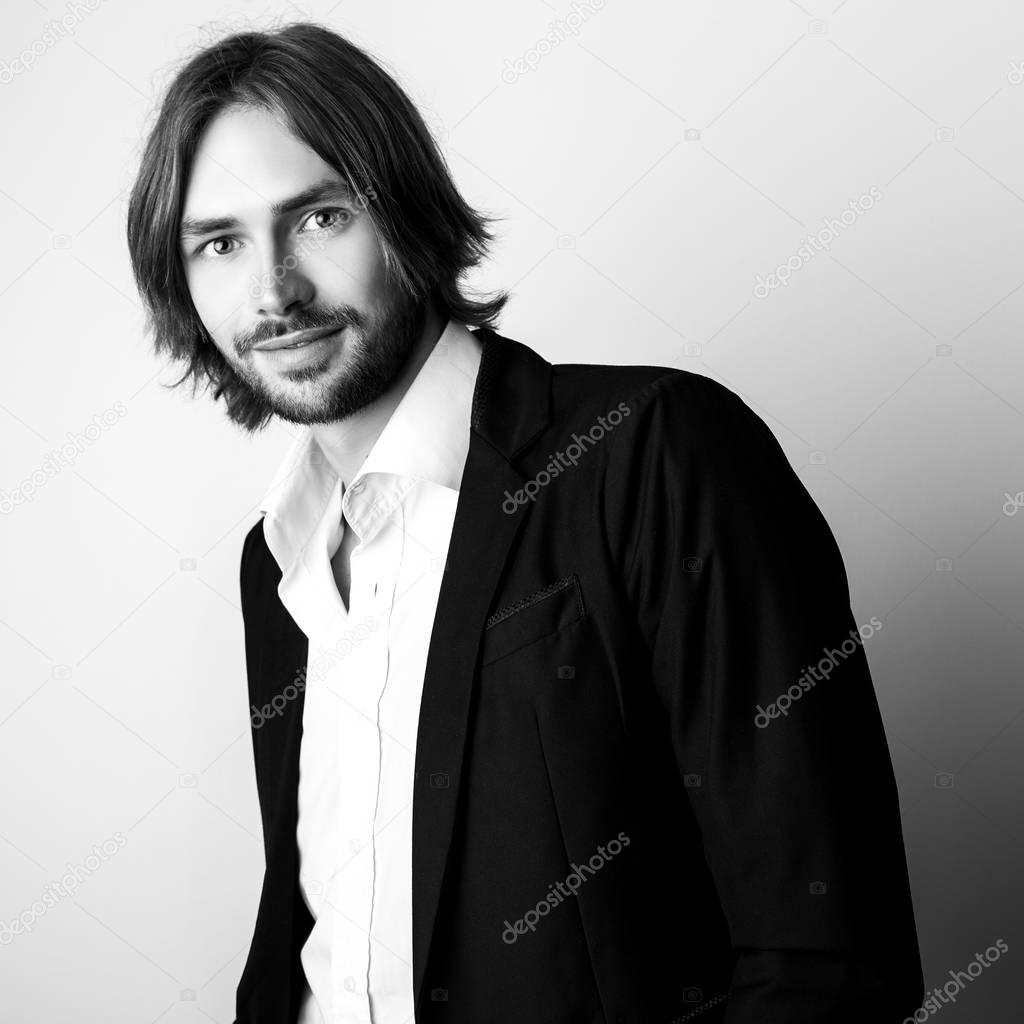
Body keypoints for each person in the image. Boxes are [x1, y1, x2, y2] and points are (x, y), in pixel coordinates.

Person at [126, 21, 925, 1024]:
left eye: (320, 217)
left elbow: (828, 965)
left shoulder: (654, 456)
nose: (273, 288)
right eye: (221, 242)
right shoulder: (273, 563)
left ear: (404, 215)